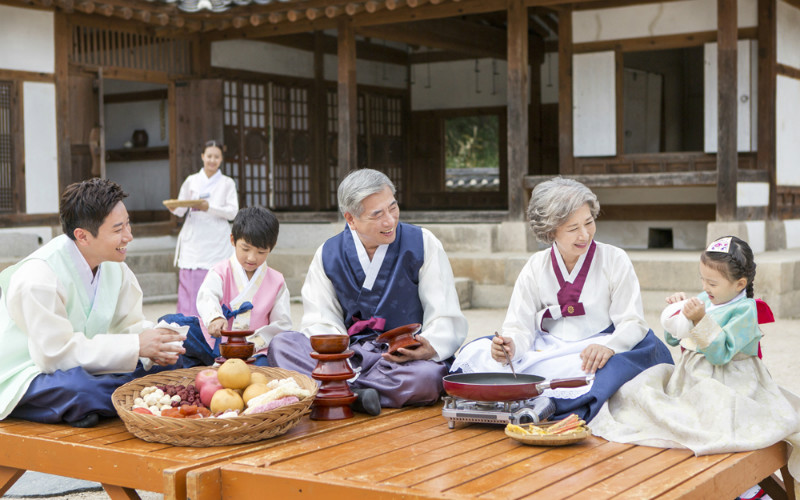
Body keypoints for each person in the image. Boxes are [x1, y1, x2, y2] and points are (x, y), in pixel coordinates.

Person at [451, 177, 673, 421]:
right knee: (476, 354)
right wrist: (510, 347)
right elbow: (519, 325)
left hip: (596, 348)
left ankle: (541, 400)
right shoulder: (536, 265)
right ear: (550, 231)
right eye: (573, 228)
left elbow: (632, 321)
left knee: (610, 369)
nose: (585, 234)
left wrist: (609, 347)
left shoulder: (614, 259)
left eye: (589, 223)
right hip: (547, 347)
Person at [590, 236, 800, 490]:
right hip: (690, 377)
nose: (705, 287)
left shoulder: (745, 311)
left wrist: (700, 320)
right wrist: (678, 312)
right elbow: (675, 338)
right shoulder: (707, 298)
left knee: (717, 420)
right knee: (638, 391)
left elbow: (720, 354)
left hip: (728, 379)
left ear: (739, 284)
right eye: (702, 279)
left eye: (712, 282)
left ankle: (748, 487)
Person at [267, 168, 468, 415]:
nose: (390, 220)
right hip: (349, 356)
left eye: (392, 208)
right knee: (281, 345)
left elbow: (444, 311)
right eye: (377, 214)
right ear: (351, 218)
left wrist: (430, 346)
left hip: (402, 361)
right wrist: (338, 356)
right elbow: (321, 318)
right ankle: (356, 393)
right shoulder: (328, 254)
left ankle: (338, 391)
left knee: (427, 378)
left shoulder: (422, 243)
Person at [0, 179, 186, 428]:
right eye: (118, 229)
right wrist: (136, 346)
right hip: (28, 372)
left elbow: (127, 326)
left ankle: (98, 404)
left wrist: (155, 341)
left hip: (84, 366)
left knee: (173, 357)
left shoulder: (113, 264)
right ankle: (99, 400)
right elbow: (54, 357)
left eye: (128, 224)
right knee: (78, 389)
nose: (129, 236)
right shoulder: (38, 277)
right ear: (83, 236)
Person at [194, 206, 292, 366]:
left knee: (261, 371)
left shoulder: (276, 280)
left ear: (271, 248)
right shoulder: (220, 272)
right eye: (245, 249)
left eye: (261, 252)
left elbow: (282, 323)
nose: (252, 258)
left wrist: (254, 343)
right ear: (233, 240)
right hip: (220, 346)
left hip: (256, 350)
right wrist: (215, 317)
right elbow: (207, 296)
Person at [168, 140, 238, 318]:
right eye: (209, 156)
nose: (212, 160)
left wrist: (209, 207)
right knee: (190, 284)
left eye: (216, 157)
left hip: (216, 239)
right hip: (194, 239)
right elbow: (181, 209)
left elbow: (232, 212)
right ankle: (188, 325)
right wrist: (174, 207)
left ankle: (215, 323)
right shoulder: (192, 181)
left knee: (215, 282)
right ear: (202, 157)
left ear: (221, 159)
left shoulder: (227, 183)